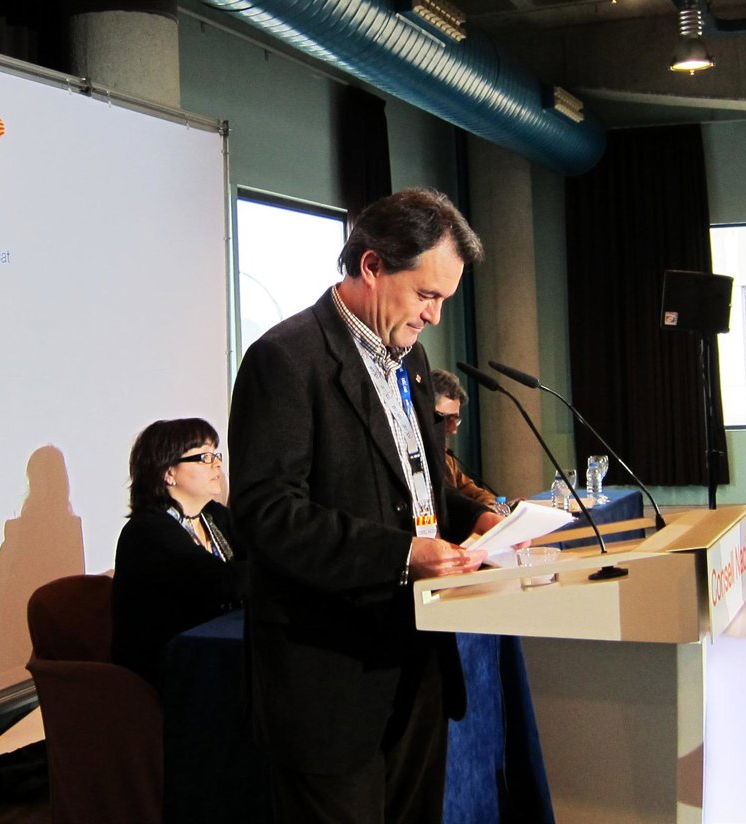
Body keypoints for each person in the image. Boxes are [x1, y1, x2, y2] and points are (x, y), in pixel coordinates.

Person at [228, 187, 504, 823]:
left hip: (416, 661)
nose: (435, 316)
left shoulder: (411, 360)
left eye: (444, 299)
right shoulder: (285, 359)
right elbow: (268, 512)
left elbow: (416, 487)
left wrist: (479, 519)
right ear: (372, 265)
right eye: (427, 295)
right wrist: (403, 556)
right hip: (330, 681)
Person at [111, 418, 249, 689]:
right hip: (167, 671)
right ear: (168, 473)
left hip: (213, 655)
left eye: (216, 455)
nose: (217, 465)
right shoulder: (147, 531)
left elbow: (259, 553)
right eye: (204, 457)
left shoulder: (214, 516)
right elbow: (220, 582)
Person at [431, 368, 498, 509]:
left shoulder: (446, 457)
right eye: (448, 418)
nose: (454, 429)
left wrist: (490, 508)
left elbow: (474, 493)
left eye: (455, 420)